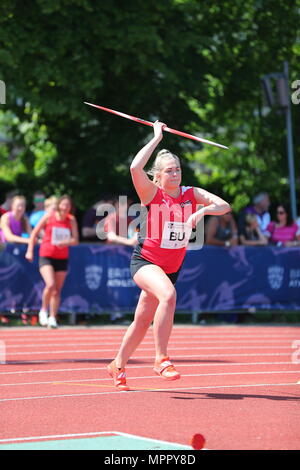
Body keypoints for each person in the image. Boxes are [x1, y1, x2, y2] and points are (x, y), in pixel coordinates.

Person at [107, 121, 231, 391]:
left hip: (171, 267)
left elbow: (224, 205)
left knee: (141, 321)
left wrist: (201, 212)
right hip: (146, 262)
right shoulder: (152, 194)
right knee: (168, 296)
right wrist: (156, 137)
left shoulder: (190, 194)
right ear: (158, 176)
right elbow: (134, 168)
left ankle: (117, 364)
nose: (175, 174)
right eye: (169, 171)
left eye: (178, 169)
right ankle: (161, 359)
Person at [25, 195, 79, 328]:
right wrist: (30, 250)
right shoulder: (49, 216)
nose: (65, 208)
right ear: (59, 205)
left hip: (62, 257)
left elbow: (75, 240)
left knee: (56, 290)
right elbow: (34, 233)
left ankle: (53, 317)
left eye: (68, 205)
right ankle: (43, 310)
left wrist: (66, 242)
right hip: (46, 255)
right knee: (50, 285)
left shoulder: (71, 219)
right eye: (63, 204)